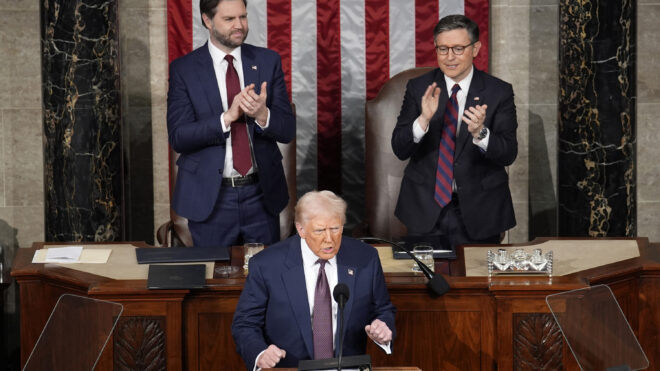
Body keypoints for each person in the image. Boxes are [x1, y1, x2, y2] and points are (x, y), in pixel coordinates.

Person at [167, 0, 295, 248]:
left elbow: (287, 130)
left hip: (261, 195)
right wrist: (227, 117)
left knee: (265, 279)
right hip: (211, 199)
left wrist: (262, 114)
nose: (239, 25)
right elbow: (179, 136)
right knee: (214, 280)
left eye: (243, 17)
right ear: (207, 20)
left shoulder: (268, 61)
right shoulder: (184, 69)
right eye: (229, 19)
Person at [232, 190, 396, 370]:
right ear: (301, 229)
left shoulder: (365, 258)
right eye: (319, 230)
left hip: (348, 367)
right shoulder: (267, 265)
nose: (329, 239)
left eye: (335, 228)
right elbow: (245, 323)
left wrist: (383, 327)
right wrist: (260, 353)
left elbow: (383, 310)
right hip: (289, 368)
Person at [391, 14, 517, 248]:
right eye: (443, 49)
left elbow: (508, 153)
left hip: (481, 210)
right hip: (425, 208)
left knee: (476, 283)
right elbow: (399, 148)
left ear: (475, 48)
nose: (450, 57)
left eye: (458, 48)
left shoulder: (499, 92)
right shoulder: (419, 88)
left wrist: (481, 133)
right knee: (425, 283)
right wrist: (422, 119)